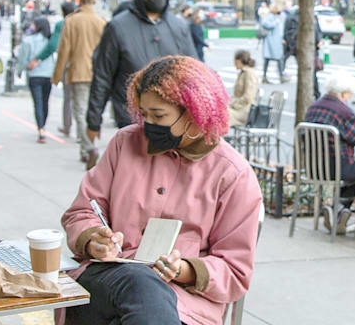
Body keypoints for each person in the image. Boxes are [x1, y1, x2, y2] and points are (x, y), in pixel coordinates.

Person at [62, 55, 262, 325]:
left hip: (183, 303)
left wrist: (186, 270)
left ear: (194, 112)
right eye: (144, 114)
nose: (148, 125)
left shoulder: (233, 175)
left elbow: (235, 270)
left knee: (141, 293)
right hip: (106, 282)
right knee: (139, 280)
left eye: (158, 115)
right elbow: (82, 211)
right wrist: (92, 238)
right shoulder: (124, 143)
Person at [87, 0, 194, 141]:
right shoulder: (118, 27)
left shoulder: (179, 27)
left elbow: (194, 75)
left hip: (175, 125)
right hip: (132, 122)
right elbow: (102, 76)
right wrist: (93, 120)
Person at [303, 71, 355, 228]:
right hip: (337, 167)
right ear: (343, 93)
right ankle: (338, 208)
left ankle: (336, 210)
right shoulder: (343, 111)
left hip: (313, 167)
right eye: (349, 94)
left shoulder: (314, 106)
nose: (349, 98)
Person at [55, 0, 107, 166]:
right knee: (94, 110)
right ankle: (87, 148)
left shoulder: (71, 21)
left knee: (80, 110)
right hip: (98, 73)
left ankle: (88, 147)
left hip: (78, 72)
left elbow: (63, 51)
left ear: (80, 0)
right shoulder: (101, 22)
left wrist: (56, 75)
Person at [21, 15, 54, 143]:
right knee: (45, 102)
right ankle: (43, 125)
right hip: (48, 75)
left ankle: (41, 128)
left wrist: (21, 70)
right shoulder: (50, 41)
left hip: (34, 75)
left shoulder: (28, 40)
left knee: (38, 103)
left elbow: (23, 58)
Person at [228, 50, 261, 127]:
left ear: (239, 60)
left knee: (222, 115)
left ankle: (216, 138)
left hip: (244, 110)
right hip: (239, 108)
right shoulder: (242, 72)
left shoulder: (249, 73)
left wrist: (233, 105)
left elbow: (248, 97)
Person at [257, 1, 287, 84]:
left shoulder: (277, 17)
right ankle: (266, 76)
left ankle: (280, 75)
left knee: (278, 58)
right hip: (270, 40)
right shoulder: (269, 16)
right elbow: (265, 24)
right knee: (269, 59)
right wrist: (274, 23)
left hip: (276, 41)